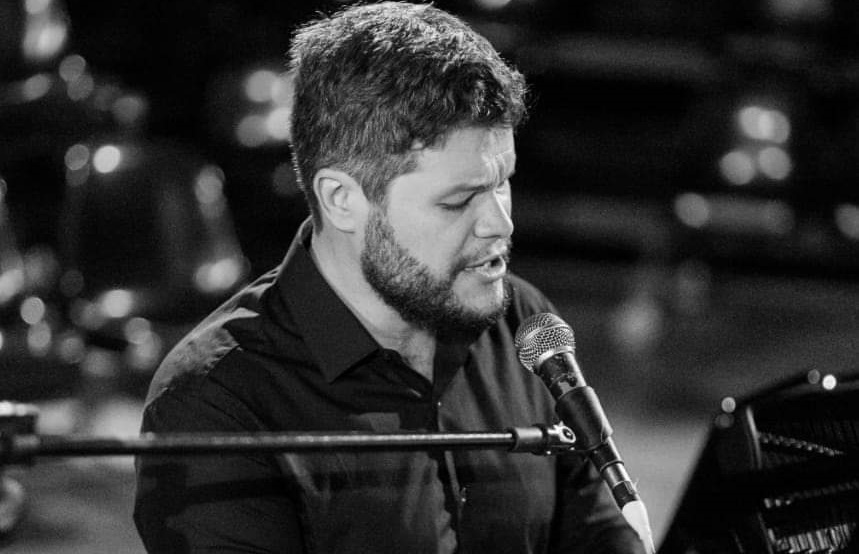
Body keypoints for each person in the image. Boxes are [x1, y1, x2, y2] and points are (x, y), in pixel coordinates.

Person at [133, 2, 645, 552]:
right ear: (342, 200)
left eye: (502, 183)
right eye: (458, 201)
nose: (501, 223)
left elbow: (601, 535)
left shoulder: (523, 325)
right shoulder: (217, 404)